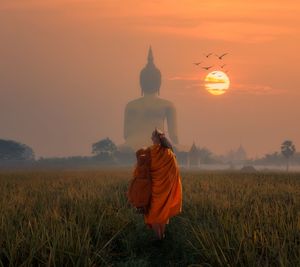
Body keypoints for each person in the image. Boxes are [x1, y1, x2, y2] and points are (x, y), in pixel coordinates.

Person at [144, 128, 182, 241]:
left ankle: (158, 238)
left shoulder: (150, 152)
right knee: (162, 213)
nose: (151, 138)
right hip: (166, 189)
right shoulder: (170, 154)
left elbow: (144, 169)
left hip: (155, 189)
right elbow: (175, 172)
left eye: (153, 136)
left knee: (154, 213)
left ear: (157, 138)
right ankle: (162, 237)